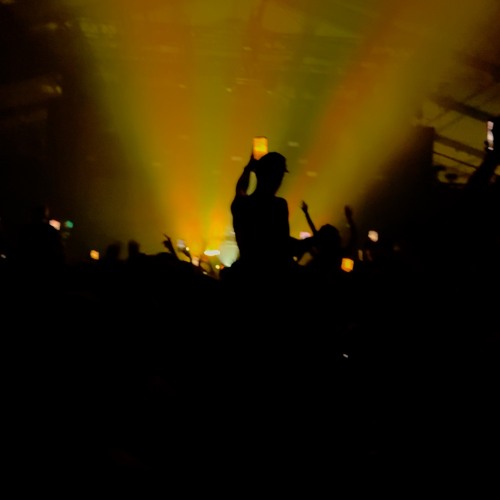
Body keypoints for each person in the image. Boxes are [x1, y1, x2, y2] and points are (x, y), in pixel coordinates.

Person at [229, 151, 308, 288]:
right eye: (279, 175)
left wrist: (248, 168)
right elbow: (282, 245)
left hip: (246, 277)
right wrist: (312, 241)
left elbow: (240, 189)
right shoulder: (278, 206)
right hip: (272, 279)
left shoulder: (242, 205)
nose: (280, 180)